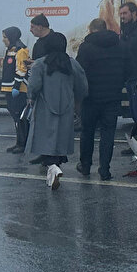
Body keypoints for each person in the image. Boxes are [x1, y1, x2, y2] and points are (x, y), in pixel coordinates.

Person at [24, 42, 88, 190]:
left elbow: (33, 85)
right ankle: (53, 171)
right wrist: (78, 100)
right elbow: (82, 86)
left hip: (45, 106)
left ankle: (53, 167)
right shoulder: (72, 64)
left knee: (45, 139)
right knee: (60, 139)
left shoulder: (40, 64)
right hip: (66, 106)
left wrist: (31, 97)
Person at [75, 18, 127, 181]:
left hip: (91, 97)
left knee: (88, 132)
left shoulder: (86, 47)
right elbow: (127, 68)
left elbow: (79, 71)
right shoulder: (119, 45)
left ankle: (85, 165)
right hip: (112, 96)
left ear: (91, 30)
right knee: (108, 133)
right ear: (105, 28)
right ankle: (105, 169)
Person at [0, 26, 31, 154]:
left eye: (5, 37)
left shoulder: (20, 50)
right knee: (15, 117)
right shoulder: (10, 49)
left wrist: (16, 87)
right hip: (9, 88)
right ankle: (19, 142)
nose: (3, 40)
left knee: (20, 117)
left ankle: (23, 143)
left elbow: (22, 69)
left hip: (17, 89)